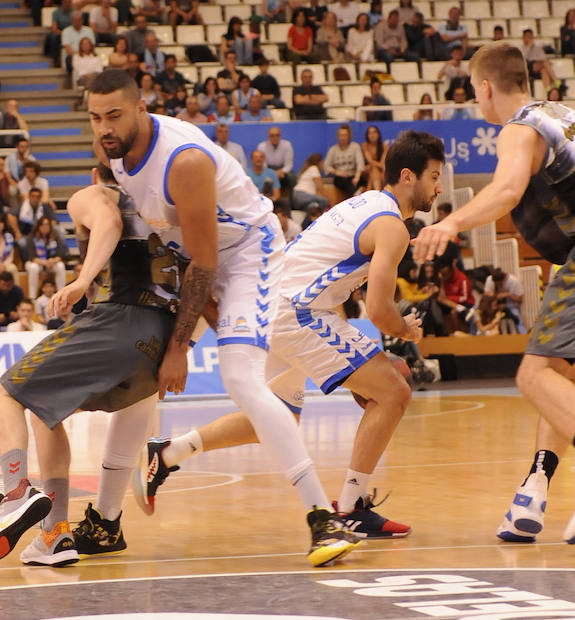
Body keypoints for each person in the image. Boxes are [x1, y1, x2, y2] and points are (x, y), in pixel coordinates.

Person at [48, 69, 360, 567]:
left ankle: (322, 516)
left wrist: (179, 348)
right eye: (95, 117)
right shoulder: (110, 148)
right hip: (184, 255)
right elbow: (142, 222)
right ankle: (105, 522)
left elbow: (209, 262)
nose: (103, 127)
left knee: (240, 378)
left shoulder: (184, 160)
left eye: (113, 116)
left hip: (244, 255)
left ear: (140, 107)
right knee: (140, 375)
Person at [413, 42, 575, 546]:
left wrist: (449, 224)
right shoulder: (566, 114)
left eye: (474, 92)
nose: (476, 102)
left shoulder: (521, 125)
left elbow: (508, 190)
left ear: (486, 88)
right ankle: (531, 494)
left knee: (532, 374)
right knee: (560, 381)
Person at [148, 129, 444, 539]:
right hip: (297, 312)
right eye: (434, 176)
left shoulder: (362, 204)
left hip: (276, 304)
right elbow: (378, 311)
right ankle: (352, 507)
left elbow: (326, 275)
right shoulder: (392, 225)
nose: (439, 186)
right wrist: (405, 330)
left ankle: (167, 453)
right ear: (409, 176)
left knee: (276, 417)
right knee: (394, 391)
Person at [0, 165, 185, 567]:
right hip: (159, 342)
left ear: (95, 174)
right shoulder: (168, 206)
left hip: (117, 321)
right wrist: (180, 347)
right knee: (44, 409)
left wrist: (79, 281)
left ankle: (16, 492)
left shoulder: (93, 194)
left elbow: (107, 220)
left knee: (4, 394)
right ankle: (56, 536)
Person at [25, 215, 69, 300]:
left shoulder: (55, 236)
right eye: (42, 225)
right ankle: (32, 297)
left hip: (51, 263)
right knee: (33, 267)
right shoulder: (31, 237)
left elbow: (60, 255)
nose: (45, 227)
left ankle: (61, 294)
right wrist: (45, 262)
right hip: (37, 263)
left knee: (60, 266)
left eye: (47, 225)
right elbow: (32, 257)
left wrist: (53, 261)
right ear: (38, 226)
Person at [324, 124, 364, 198]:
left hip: (353, 175)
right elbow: (326, 166)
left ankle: (358, 193)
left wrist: (357, 177)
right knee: (339, 180)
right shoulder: (333, 149)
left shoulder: (355, 146)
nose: (343, 138)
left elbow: (360, 163)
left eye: (345, 135)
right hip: (341, 177)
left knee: (362, 179)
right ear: (338, 136)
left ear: (349, 136)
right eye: (341, 135)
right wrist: (336, 172)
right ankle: (357, 194)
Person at [257, 127, 295, 195]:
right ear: (268, 136)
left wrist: (281, 171)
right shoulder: (262, 146)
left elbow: (289, 164)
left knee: (292, 177)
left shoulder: (287, 145)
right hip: (267, 169)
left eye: (277, 135)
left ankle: (292, 201)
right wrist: (273, 173)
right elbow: (263, 164)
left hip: (282, 170)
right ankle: (265, 199)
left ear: (280, 136)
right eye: (272, 135)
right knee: (261, 176)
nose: (275, 137)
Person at [45, 0, 74, 67]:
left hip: (71, 31)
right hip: (60, 31)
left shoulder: (74, 12)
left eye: (69, 2)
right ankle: (56, 60)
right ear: (62, 2)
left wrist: (68, 33)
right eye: (66, 2)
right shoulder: (56, 12)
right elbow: (54, 28)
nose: (67, 4)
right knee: (54, 37)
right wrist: (63, 34)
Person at [362, 125, 388, 191]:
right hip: (367, 171)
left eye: (374, 132)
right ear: (367, 135)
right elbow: (370, 160)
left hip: (379, 171)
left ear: (378, 134)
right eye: (370, 133)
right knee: (373, 168)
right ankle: (378, 193)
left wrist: (381, 166)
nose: (372, 135)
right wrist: (380, 166)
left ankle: (370, 191)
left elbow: (383, 161)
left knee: (375, 170)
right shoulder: (365, 145)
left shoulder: (384, 145)